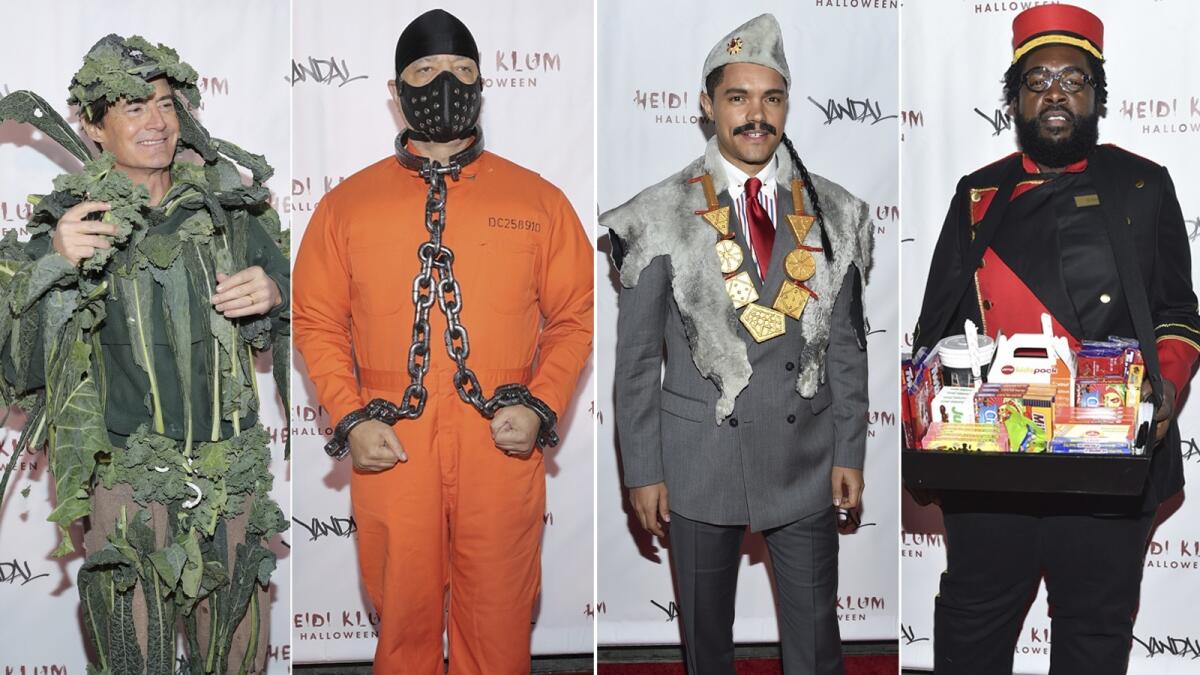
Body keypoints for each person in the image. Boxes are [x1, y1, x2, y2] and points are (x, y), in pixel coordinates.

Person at [291, 9, 593, 674]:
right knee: (403, 621)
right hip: (390, 441)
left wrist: (542, 405)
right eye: (426, 72)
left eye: (461, 71)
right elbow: (315, 320)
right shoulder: (347, 206)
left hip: (501, 438)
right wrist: (348, 417)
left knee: (499, 622)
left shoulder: (539, 200)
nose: (445, 83)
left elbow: (575, 314)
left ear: (483, 85)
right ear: (396, 92)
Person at [912, 5, 1200, 673]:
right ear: (1013, 97)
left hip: (1106, 464)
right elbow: (937, 325)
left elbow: (1178, 314)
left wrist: (1161, 394)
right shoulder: (979, 193)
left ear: (1097, 95)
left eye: (1074, 79)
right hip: (992, 465)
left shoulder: (1142, 185)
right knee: (970, 632)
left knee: (1094, 637)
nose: (1055, 94)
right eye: (1037, 79)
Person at [0, 35, 289, 672]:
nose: (155, 121)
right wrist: (53, 266)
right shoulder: (70, 223)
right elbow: (17, 368)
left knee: (237, 652)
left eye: (163, 103)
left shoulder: (230, 211)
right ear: (93, 127)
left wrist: (274, 291)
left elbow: (308, 310)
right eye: (132, 108)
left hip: (231, 477)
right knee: (133, 652)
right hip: (126, 482)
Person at [601, 14, 873, 674]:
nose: (757, 114)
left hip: (804, 460)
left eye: (771, 98)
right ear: (706, 106)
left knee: (816, 645)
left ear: (785, 105)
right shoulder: (656, 213)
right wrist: (643, 470)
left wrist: (849, 448)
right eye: (738, 97)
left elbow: (846, 345)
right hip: (697, 463)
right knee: (707, 647)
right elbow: (636, 360)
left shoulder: (838, 213)